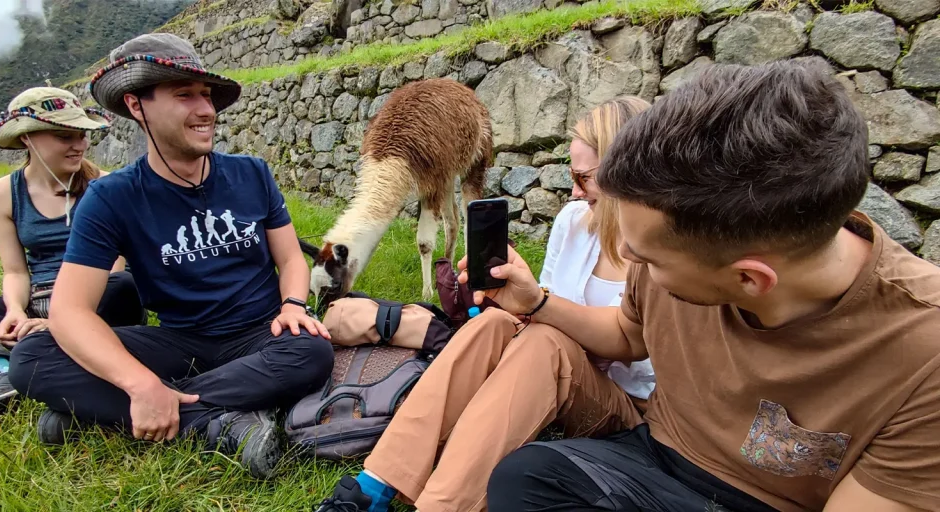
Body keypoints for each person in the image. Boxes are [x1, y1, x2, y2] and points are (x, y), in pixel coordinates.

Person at [476, 61, 940, 511]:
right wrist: (537, 301)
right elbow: (628, 334)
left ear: (749, 278)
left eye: (648, 258)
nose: (630, 260)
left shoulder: (923, 353)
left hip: (765, 502)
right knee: (526, 478)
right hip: (657, 455)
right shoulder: (669, 233)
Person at [7, 33, 334, 480]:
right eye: (185, 96)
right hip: (182, 340)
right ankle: (214, 421)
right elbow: (68, 311)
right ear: (137, 105)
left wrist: (294, 304)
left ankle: (108, 412)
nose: (206, 110)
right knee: (33, 357)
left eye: (207, 96)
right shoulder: (111, 197)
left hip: (262, 334)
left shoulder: (251, 173)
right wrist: (140, 383)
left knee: (312, 351)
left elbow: (292, 259)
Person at [316, 97, 656, 512]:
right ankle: (379, 481)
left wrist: (540, 306)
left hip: (626, 407)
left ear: (629, 173)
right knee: (491, 325)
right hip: (556, 371)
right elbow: (542, 308)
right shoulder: (573, 221)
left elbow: (628, 340)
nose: (573, 191)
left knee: (544, 344)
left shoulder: (659, 247)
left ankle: (442, 504)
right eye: (571, 176)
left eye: (584, 178)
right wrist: (517, 302)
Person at [0, 87, 145, 418]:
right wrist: (15, 312)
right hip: (37, 302)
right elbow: (15, 271)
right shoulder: (0, 195)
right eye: (64, 136)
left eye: (82, 135)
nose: (79, 145)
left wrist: (58, 322)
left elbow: (113, 268)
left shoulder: (107, 187)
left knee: (124, 284)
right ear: (27, 139)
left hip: (98, 303)